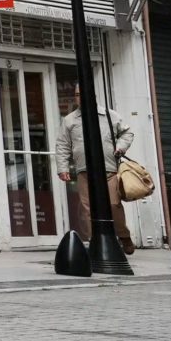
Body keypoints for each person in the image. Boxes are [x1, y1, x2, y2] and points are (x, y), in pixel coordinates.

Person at [54, 80, 136, 251]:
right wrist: (62, 168)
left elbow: (127, 132)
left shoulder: (110, 115)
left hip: (109, 169)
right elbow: (62, 144)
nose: (80, 98)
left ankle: (124, 236)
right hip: (85, 170)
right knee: (87, 209)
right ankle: (95, 242)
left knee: (114, 205)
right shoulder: (69, 120)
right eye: (77, 95)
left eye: (83, 94)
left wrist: (120, 147)